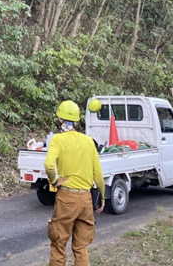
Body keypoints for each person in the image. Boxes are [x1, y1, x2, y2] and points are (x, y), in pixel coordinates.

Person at [44, 100, 105, 266]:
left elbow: (49, 165)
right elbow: (98, 174)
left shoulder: (57, 140)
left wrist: (54, 181)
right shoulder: (88, 141)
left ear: (59, 120)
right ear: (77, 122)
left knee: (58, 244)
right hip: (85, 199)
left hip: (66, 198)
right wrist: (102, 197)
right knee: (81, 246)